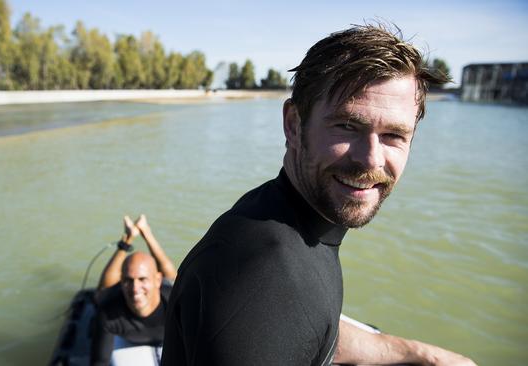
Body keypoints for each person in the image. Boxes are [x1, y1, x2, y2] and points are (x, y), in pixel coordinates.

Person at [161, 24, 477, 366]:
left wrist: (419, 354)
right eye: (347, 126)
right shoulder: (267, 271)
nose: (370, 158)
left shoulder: (278, 215)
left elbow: (304, 328)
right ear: (294, 125)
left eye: (393, 136)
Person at [90, 215, 177, 366]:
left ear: (157, 281)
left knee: (174, 280)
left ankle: (146, 232)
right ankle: (128, 239)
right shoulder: (109, 314)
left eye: (142, 279)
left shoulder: (174, 302)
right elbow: (99, 362)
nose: (135, 289)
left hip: (167, 299)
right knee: (102, 293)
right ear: (121, 281)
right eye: (128, 281)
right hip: (126, 336)